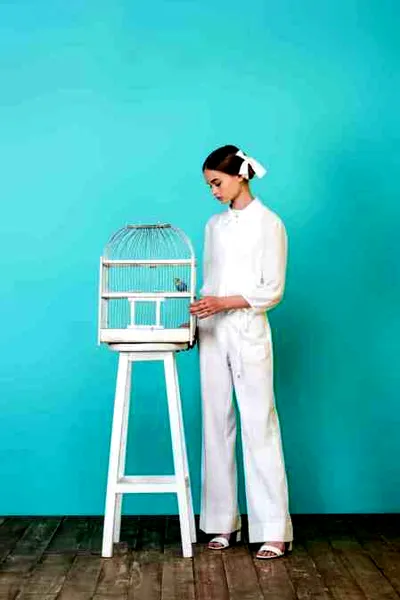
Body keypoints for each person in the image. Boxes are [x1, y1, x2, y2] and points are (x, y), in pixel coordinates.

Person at [190, 144, 293, 559]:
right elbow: (210, 282)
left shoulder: (270, 224)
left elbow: (272, 290)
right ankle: (221, 522)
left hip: (249, 331)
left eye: (217, 183)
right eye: (209, 186)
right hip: (212, 332)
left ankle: (273, 529)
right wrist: (200, 311)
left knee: (258, 424)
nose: (213, 191)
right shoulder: (214, 226)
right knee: (215, 423)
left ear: (240, 177)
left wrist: (223, 302)